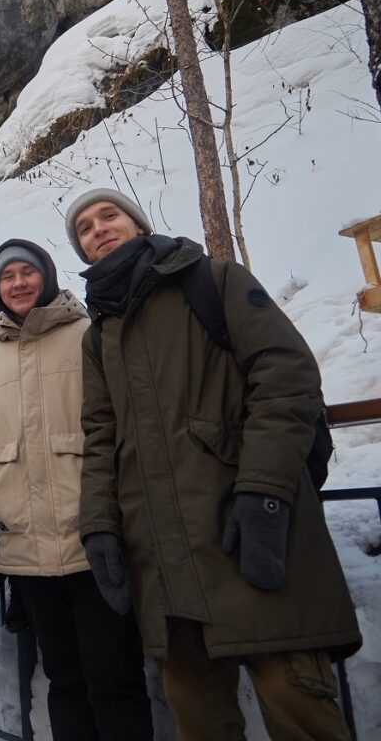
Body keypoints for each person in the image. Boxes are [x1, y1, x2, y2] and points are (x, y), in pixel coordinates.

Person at [65, 187, 361, 740]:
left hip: (242, 529)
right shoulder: (100, 334)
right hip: (162, 558)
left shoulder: (213, 280)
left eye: (109, 216)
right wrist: (100, 525)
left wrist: (264, 493)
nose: (99, 228)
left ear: (137, 224)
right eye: (85, 228)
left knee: (294, 700)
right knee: (197, 715)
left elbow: (287, 376)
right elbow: (100, 437)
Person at [0, 240, 152, 741]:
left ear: (46, 275)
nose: (18, 283)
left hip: (95, 537)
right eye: (7, 277)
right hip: (27, 548)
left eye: (27, 272)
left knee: (115, 678)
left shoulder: (89, 335)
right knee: (64, 680)